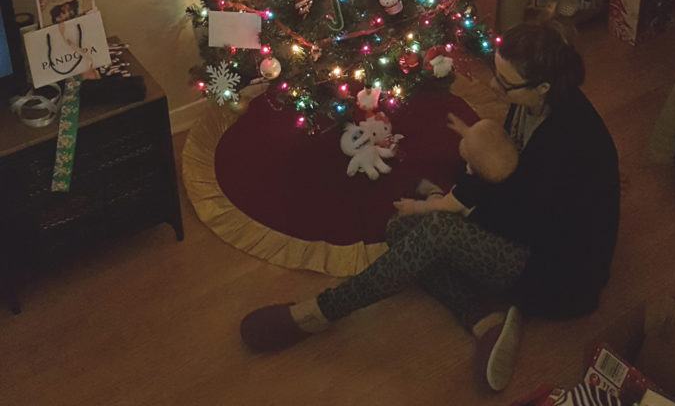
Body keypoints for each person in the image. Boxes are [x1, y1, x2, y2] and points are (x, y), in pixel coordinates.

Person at [239, 20, 620, 393]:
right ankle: (482, 319)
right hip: (523, 221)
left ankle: (319, 311)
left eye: (504, 83)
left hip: (555, 272)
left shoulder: (569, 142)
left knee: (435, 231)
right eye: (495, 72)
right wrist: (456, 194)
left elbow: (526, 220)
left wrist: (457, 208)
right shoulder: (533, 103)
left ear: (543, 86)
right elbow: (507, 170)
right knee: (399, 229)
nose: (493, 85)